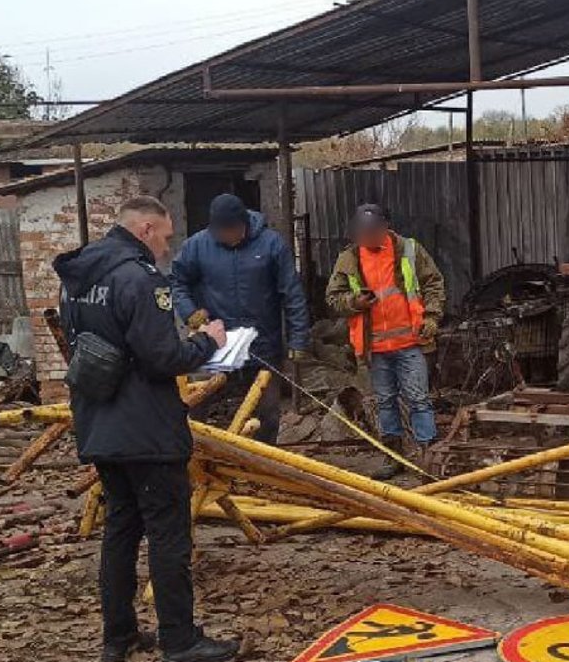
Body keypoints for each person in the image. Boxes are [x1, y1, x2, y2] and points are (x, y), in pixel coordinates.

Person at [53, 195, 239, 662]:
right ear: (145, 229)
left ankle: (118, 637)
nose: (167, 246)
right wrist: (209, 341)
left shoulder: (77, 280)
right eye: (165, 235)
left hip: (100, 424)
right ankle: (180, 641)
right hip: (146, 431)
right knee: (167, 536)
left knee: (119, 531)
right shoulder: (139, 278)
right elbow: (162, 358)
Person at [171, 193, 311, 444]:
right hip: (214, 345)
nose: (225, 236)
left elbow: (292, 295)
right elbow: (178, 282)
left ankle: (260, 465)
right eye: (219, 231)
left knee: (266, 413)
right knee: (196, 404)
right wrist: (189, 312)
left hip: (262, 345)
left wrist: (298, 340)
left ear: (243, 224)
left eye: (230, 230)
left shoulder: (272, 245)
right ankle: (197, 460)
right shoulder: (197, 246)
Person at [325, 204, 445, 480]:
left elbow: (433, 283)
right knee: (385, 402)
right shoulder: (349, 259)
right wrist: (354, 302)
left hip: (411, 342)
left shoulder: (410, 250)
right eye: (362, 233)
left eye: (371, 232)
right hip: (375, 349)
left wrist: (432, 316)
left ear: (384, 228)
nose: (367, 238)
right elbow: (333, 299)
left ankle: (428, 460)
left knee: (418, 399)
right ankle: (393, 458)